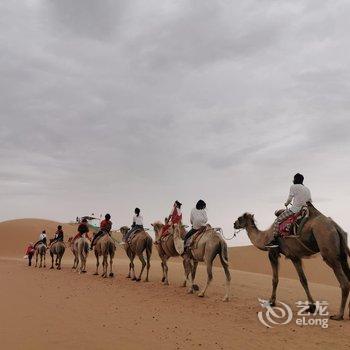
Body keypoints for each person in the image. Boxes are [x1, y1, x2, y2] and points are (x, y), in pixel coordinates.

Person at [265, 173, 312, 248]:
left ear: (295, 179)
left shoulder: (293, 187)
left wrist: (286, 203)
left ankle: (275, 240)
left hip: (295, 209)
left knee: (277, 220)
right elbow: (310, 201)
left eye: (294, 179)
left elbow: (290, 198)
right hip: (306, 210)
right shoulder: (307, 189)